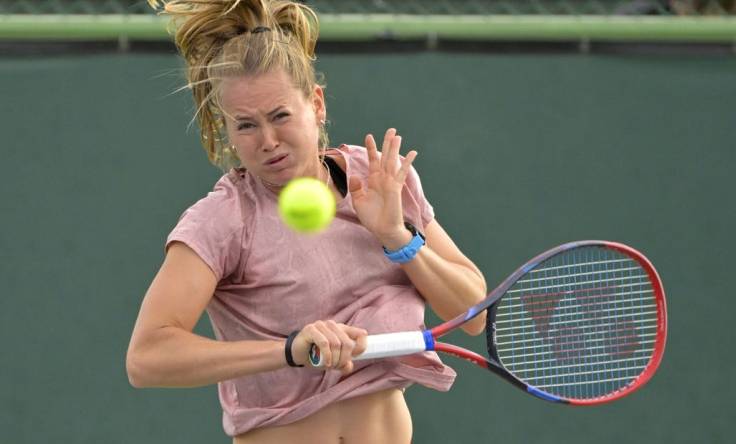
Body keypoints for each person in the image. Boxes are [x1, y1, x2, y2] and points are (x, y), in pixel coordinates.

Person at [126, 1, 487, 442]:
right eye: (246, 126)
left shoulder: (379, 181)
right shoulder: (224, 220)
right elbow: (147, 357)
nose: (268, 141)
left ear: (315, 104)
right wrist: (289, 350)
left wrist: (397, 237)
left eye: (280, 115)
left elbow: (472, 315)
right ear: (227, 129)